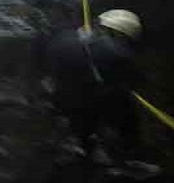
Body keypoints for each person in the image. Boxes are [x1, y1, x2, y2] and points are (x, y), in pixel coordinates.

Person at [42, 9, 143, 165]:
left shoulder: (65, 36)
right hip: (84, 98)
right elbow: (130, 80)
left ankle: (81, 145)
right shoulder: (117, 53)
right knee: (123, 107)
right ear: (120, 33)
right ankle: (127, 152)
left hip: (60, 92)